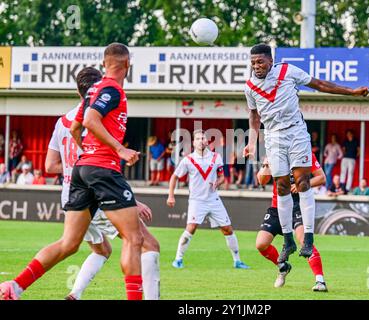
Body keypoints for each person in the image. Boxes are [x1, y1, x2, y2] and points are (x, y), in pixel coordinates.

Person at [0, 43, 145, 301]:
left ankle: (14, 287)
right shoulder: (112, 89)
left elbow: (77, 126)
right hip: (103, 169)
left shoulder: (92, 91)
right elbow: (89, 121)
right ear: (127, 65)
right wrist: (119, 149)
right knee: (134, 239)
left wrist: (85, 152)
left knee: (69, 243)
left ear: (104, 63)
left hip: (81, 171)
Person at [243, 43, 369, 262]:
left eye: (260, 62)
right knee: (282, 186)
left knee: (302, 183)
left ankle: (308, 239)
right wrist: (252, 142)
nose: (256, 66)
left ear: (270, 61)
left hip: (296, 132)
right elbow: (254, 116)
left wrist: (351, 92)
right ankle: (289, 241)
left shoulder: (288, 71)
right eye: (253, 62)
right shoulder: (250, 87)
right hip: (273, 137)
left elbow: (319, 84)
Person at [45, 67, 159, 300]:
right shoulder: (100, 118)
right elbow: (100, 168)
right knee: (145, 244)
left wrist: (73, 170)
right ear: (96, 90)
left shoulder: (62, 122)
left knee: (100, 249)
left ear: (78, 90)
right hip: (95, 190)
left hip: (71, 191)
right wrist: (132, 200)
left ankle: (74, 294)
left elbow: (49, 166)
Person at [167, 130, 250, 270]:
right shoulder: (188, 160)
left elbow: (222, 177)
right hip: (196, 201)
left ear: (207, 141)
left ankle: (237, 261)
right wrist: (171, 195)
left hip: (213, 199)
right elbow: (174, 176)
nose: (200, 140)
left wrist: (218, 182)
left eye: (203, 138)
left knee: (228, 229)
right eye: (198, 138)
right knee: (191, 228)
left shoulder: (216, 157)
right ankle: (178, 259)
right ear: (193, 142)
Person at [256, 154, 327, 292]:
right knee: (261, 244)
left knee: (303, 240)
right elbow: (262, 181)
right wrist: (265, 165)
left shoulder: (304, 151)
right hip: (277, 207)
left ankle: (320, 281)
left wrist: (301, 185)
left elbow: (321, 177)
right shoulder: (274, 153)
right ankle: (283, 267)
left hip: (298, 206)